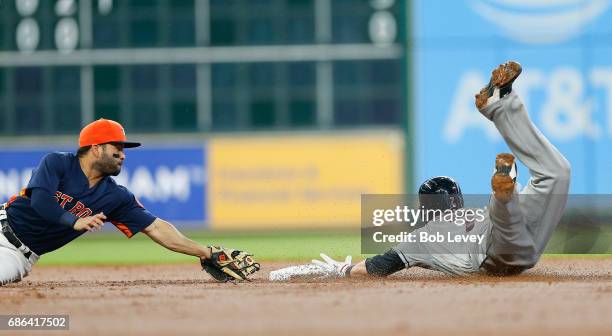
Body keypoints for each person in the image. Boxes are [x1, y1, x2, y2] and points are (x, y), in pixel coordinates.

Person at [278, 61, 571, 280]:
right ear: (456, 198)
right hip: (508, 235)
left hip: (498, 253)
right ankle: (503, 111)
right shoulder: (467, 214)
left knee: (507, 226)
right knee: (556, 174)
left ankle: (506, 194)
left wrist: (342, 270)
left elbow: (377, 267)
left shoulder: (420, 238)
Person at [0, 118, 258, 285]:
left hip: (17, 255)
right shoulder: (57, 162)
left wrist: (206, 252)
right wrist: (74, 221)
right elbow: (41, 202)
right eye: (118, 148)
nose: (123, 155)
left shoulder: (115, 196)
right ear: (96, 148)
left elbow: (156, 227)